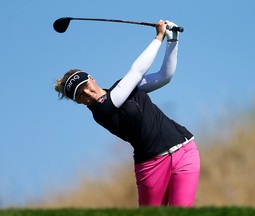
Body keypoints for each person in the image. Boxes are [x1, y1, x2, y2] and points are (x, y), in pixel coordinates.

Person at [54, 20, 200, 207]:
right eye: (81, 95)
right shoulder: (103, 111)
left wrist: (172, 40)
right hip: (151, 167)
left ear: (92, 78)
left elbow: (165, 76)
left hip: (184, 149)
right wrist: (158, 37)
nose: (88, 93)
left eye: (86, 86)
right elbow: (137, 70)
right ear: (78, 101)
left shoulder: (123, 87)